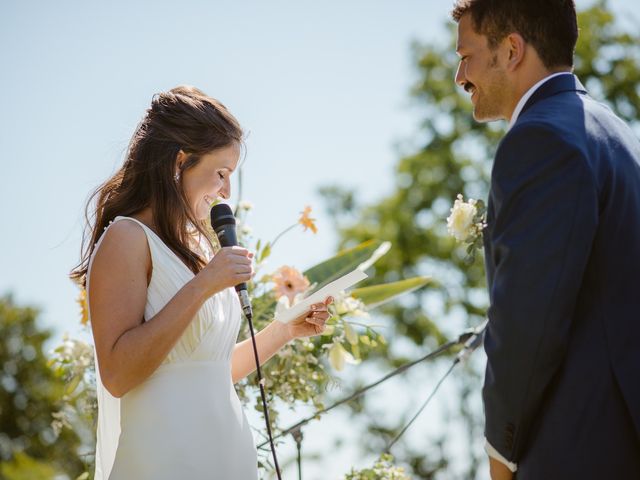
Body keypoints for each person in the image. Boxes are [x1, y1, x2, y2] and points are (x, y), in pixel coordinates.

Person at [71, 86, 332, 479]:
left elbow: (209, 368)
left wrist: (284, 331)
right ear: (179, 163)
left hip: (225, 457)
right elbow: (118, 374)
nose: (226, 192)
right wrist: (204, 285)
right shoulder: (127, 237)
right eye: (221, 173)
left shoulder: (194, 249)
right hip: (165, 459)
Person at [451, 1, 640, 479]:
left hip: (579, 448)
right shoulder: (617, 134)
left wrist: (500, 451)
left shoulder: (541, 139)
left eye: (467, 55)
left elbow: (525, 323)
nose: (460, 75)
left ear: (511, 49)